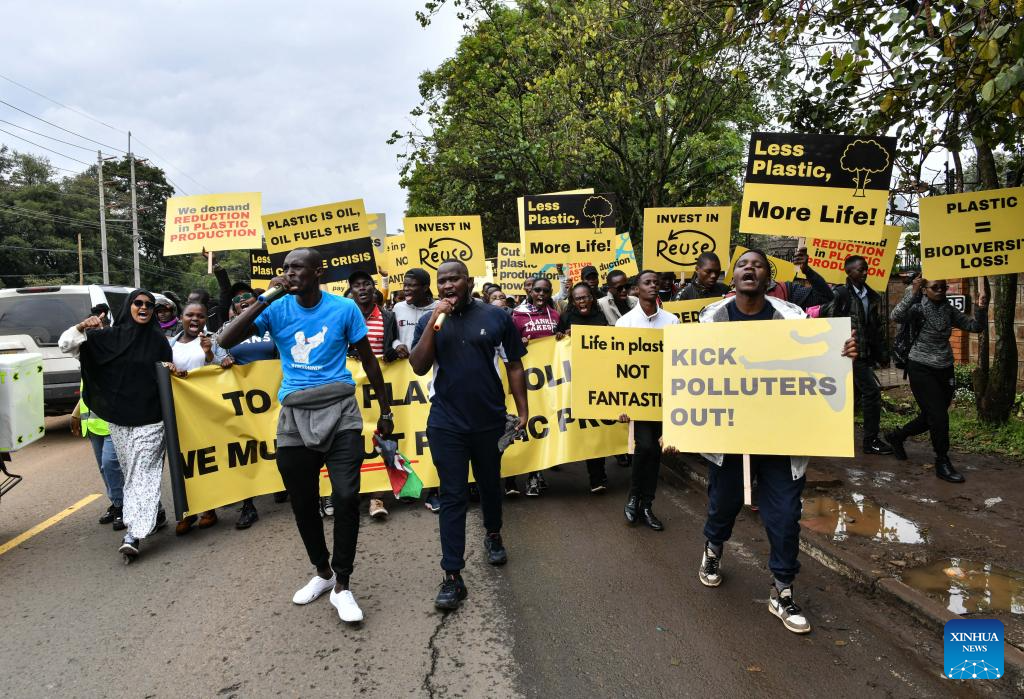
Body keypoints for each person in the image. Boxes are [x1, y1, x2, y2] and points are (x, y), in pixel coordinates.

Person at [219, 247, 393, 623]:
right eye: (285, 269)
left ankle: (343, 585)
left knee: (347, 497)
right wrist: (266, 296)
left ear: (319, 271)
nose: (289, 273)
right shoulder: (276, 307)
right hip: (295, 416)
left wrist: (386, 410)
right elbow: (225, 340)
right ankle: (323, 572)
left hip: (341, 412)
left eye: (297, 268)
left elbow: (368, 359)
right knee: (302, 501)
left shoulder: (344, 309)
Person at [694, 249, 857, 634]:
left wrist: (844, 355)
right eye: (743, 265)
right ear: (732, 277)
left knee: (784, 518)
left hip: (783, 440)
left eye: (758, 265)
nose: (750, 269)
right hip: (730, 436)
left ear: (769, 277)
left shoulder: (793, 318)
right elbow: (694, 376)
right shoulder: (710, 319)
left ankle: (782, 590)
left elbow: (819, 363)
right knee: (723, 504)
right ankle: (713, 549)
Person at [409, 260, 528, 611]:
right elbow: (417, 366)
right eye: (442, 281)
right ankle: (452, 576)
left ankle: (493, 534)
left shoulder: (496, 317)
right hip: (447, 422)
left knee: (490, 484)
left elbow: (515, 365)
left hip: (489, 421)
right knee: (453, 495)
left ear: (469, 281)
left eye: (454, 279)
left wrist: (523, 411)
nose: (447, 286)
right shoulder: (428, 320)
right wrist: (433, 321)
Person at [59, 290, 173, 559]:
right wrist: (80, 326)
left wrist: (173, 370)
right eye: (138, 303)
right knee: (132, 472)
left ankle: (133, 533)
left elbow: (171, 374)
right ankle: (155, 513)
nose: (144, 307)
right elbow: (66, 345)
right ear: (128, 307)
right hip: (120, 421)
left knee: (143, 471)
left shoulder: (158, 340)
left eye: (149, 305)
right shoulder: (106, 338)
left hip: (152, 419)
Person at [887, 275, 988, 483]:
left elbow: (976, 327)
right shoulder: (917, 307)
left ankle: (897, 436)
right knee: (939, 416)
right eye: (936, 287)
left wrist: (980, 306)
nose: (941, 290)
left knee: (933, 415)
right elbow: (896, 315)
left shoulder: (948, 309)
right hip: (920, 367)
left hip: (944, 367)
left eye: (944, 287)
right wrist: (913, 292)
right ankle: (942, 461)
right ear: (926, 289)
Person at [615, 270, 679, 529]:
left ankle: (646, 505)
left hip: (664, 399)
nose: (653, 286)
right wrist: (620, 403)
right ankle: (634, 497)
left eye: (656, 283)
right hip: (638, 401)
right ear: (636, 289)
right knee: (646, 447)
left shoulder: (672, 321)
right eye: (648, 283)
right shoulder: (625, 324)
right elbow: (618, 366)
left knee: (656, 452)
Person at [216, 283, 284, 520]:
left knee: (277, 442)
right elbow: (216, 358)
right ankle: (248, 504)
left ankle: (279, 484)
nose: (243, 300)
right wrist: (222, 360)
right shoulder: (226, 330)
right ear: (232, 308)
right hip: (242, 401)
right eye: (237, 299)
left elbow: (281, 354)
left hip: (272, 398)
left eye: (248, 296)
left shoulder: (268, 325)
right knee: (247, 451)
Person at [820, 255, 892, 455]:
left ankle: (838, 438)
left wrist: (882, 353)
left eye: (866, 269)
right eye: (860, 270)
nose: (865, 273)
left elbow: (875, 326)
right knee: (871, 392)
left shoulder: (869, 295)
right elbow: (828, 322)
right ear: (848, 271)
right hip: (846, 354)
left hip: (863, 353)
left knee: (852, 396)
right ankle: (870, 441)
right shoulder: (840, 293)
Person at [169, 302, 231, 534]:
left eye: (200, 316)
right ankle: (187, 512)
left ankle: (209, 509)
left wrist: (209, 354)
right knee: (182, 462)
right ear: (181, 318)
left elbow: (224, 369)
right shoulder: (169, 344)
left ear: (206, 319)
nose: (195, 319)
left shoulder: (213, 341)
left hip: (205, 412)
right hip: (179, 411)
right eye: (190, 315)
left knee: (204, 460)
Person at [348, 269, 400, 520]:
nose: (362, 288)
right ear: (351, 291)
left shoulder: (388, 317)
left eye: (366, 284)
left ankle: (376, 497)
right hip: (351, 388)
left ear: (373, 288)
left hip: (380, 386)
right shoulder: (343, 315)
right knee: (352, 439)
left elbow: (393, 344)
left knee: (379, 438)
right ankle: (352, 491)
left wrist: (395, 349)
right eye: (357, 285)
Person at [390, 268, 441, 512]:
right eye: (404, 285)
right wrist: (399, 345)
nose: (406, 289)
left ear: (425, 287)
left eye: (411, 285)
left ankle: (435, 489)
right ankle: (411, 486)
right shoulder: (398, 309)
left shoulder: (440, 308)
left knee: (431, 435)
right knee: (410, 435)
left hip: (433, 377)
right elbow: (392, 338)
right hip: (406, 380)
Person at [555, 282, 610, 493]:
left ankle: (598, 477)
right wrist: (561, 336)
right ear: (573, 301)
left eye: (585, 297)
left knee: (596, 430)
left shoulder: (601, 316)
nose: (582, 301)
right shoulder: (566, 317)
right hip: (574, 381)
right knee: (581, 430)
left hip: (598, 380)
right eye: (578, 298)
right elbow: (556, 345)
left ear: (592, 298)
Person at [510, 276, 559, 496]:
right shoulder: (517, 317)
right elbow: (507, 347)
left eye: (545, 291)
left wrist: (561, 336)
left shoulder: (556, 315)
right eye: (537, 290)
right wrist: (517, 343)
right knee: (525, 429)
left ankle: (536, 475)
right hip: (526, 383)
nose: (541, 294)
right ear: (530, 292)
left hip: (548, 384)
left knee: (543, 429)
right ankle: (522, 474)